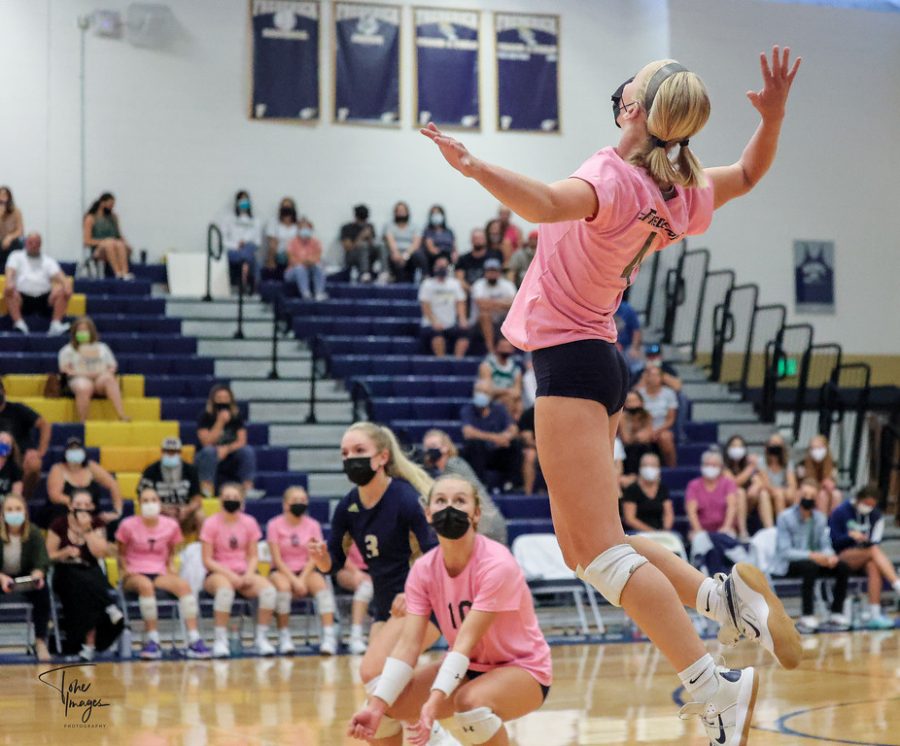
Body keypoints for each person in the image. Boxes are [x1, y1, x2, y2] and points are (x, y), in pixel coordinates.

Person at [423, 47, 803, 741]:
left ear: (634, 107)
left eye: (635, 75)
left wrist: (474, 166)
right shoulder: (677, 189)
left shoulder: (613, 175)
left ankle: (714, 685)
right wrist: (772, 117)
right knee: (595, 548)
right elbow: (748, 172)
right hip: (595, 355)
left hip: (571, 359)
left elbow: (541, 201)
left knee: (602, 555)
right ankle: (722, 598)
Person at [348, 475, 551, 745]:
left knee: (470, 704)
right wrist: (375, 707)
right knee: (385, 707)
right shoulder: (423, 569)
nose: (450, 508)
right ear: (428, 513)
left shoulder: (497, 563)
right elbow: (408, 646)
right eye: (441, 501)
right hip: (469, 668)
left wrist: (433, 702)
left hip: (523, 669)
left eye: (460, 501)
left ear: (476, 514)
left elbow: (464, 643)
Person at [308, 423, 441, 692]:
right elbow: (334, 561)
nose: (350, 458)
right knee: (383, 687)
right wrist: (323, 560)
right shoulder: (348, 507)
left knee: (373, 671)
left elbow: (435, 554)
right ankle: (429, 730)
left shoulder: (405, 499)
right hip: (384, 606)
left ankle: (435, 728)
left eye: (359, 450)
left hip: (420, 602)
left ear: (382, 457)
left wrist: (417, 592)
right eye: (344, 453)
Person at [116, 487, 212, 659]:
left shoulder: (171, 525)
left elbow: (171, 551)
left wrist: (171, 568)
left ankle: (194, 639)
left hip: (158, 571)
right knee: (145, 586)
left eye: (153, 500)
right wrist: (125, 570)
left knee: (183, 586)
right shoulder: (127, 525)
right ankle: (153, 641)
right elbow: (121, 553)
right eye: (145, 501)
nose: (150, 504)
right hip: (134, 573)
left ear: (159, 504)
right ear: (139, 503)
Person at [46, 488, 124, 659]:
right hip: (65, 571)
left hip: (90, 571)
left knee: (87, 584)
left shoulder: (97, 524)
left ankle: (88, 646)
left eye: (86, 505)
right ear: (70, 505)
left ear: (93, 507)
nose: (82, 508)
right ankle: (109, 605)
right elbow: (49, 556)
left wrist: (87, 530)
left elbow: (99, 553)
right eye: (78, 504)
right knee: (78, 579)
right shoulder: (59, 524)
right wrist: (63, 553)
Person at [200, 483, 277, 657]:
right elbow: (207, 560)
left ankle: (261, 638)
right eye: (227, 497)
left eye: (235, 498)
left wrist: (249, 574)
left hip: (244, 572)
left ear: (242, 502)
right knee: (225, 591)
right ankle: (220, 640)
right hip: (218, 572)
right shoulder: (211, 523)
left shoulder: (249, 522)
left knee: (269, 592)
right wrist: (231, 576)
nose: (231, 501)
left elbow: (253, 556)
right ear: (220, 501)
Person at [266, 486, 339, 655]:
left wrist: (303, 578)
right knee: (283, 590)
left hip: (306, 570)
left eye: (303, 500)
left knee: (322, 589)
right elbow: (277, 559)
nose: (300, 503)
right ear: (285, 505)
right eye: (295, 501)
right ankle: (284, 636)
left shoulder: (313, 525)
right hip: (282, 571)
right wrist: (295, 581)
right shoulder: (274, 524)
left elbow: (315, 557)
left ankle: (328, 637)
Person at [771, 479, 851, 632]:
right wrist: (812, 555)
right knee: (810, 567)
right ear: (798, 495)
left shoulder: (820, 518)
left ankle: (836, 612)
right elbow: (785, 551)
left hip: (816, 560)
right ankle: (807, 614)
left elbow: (825, 544)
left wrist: (830, 557)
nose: (807, 498)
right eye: (804, 494)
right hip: (790, 563)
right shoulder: (785, 517)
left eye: (811, 495)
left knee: (843, 567)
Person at [828, 486, 900, 630]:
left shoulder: (877, 516)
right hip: (841, 555)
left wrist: (864, 540)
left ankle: (874, 614)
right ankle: (897, 584)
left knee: (873, 564)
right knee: (873, 552)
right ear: (859, 499)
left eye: (872, 505)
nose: (869, 508)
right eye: (867, 504)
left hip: (865, 555)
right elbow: (833, 540)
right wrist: (849, 536)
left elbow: (875, 541)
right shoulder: (840, 512)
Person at [421, 429, 508, 545]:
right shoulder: (446, 469)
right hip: (479, 525)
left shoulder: (454, 464)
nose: (430, 451)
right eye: (427, 448)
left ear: (446, 447)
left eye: (433, 446)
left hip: (486, 526)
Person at [0, 493, 51, 660]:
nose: (14, 513)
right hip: (1, 578)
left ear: (25, 512)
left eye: (18, 509)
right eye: (9, 509)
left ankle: (40, 641)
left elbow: (42, 560)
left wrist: (38, 574)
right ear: (2, 513)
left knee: (42, 592)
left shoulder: (34, 533)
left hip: (24, 578)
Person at [58, 316, 130, 422]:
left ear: (91, 332)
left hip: (99, 378)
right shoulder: (67, 350)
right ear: (74, 332)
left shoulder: (102, 348)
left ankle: (121, 415)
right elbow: (64, 370)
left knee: (109, 379)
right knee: (84, 386)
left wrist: (104, 372)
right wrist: (81, 373)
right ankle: (83, 421)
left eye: (85, 330)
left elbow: (112, 366)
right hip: (79, 378)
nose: (83, 333)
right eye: (80, 330)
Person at [45, 437, 123, 530]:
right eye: (72, 450)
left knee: (114, 523)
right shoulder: (58, 469)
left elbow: (112, 484)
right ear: (65, 453)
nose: (75, 452)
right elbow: (55, 496)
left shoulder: (91, 467)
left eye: (77, 449)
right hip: (66, 514)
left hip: (91, 515)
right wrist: (80, 504)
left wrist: (117, 510)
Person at [196, 384, 258, 498]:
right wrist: (220, 422)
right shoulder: (205, 416)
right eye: (219, 398)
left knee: (247, 451)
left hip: (229, 454)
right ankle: (206, 490)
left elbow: (242, 441)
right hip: (209, 456)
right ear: (213, 400)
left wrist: (226, 449)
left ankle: (248, 488)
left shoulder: (236, 416)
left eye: (226, 398)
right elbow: (206, 442)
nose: (222, 401)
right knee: (209, 451)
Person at [3, 232, 72, 335]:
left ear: (40, 244)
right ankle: (19, 324)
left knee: (62, 289)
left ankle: (56, 324)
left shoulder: (48, 260)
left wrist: (67, 285)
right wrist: (9, 283)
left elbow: (61, 276)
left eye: (37, 243)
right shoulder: (16, 256)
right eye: (31, 242)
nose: (34, 245)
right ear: (26, 243)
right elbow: (9, 272)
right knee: (8, 290)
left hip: (45, 299)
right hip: (22, 299)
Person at [137, 437, 204, 537]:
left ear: (180, 452)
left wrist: (186, 509)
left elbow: (197, 500)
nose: (171, 454)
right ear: (162, 452)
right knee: (150, 512)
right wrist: (164, 510)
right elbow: (142, 497)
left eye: (174, 451)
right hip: (160, 512)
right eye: (167, 451)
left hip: (184, 511)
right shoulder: (151, 470)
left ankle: (200, 549)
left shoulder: (190, 470)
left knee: (200, 515)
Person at [460, 380, 520, 491]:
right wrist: (496, 438)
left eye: (485, 392)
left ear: (491, 395)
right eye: (479, 391)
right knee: (474, 444)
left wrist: (506, 436)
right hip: (479, 454)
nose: (481, 394)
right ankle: (480, 485)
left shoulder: (499, 409)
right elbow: (468, 432)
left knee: (515, 444)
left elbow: (514, 429)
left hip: (497, 452)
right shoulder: (468, 410)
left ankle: (512, 485)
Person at [0, 379, 50, 500]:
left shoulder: (18, 409)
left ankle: (22, 501)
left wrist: (40, 451)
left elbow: (44, 424)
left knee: (34, 464)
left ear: (3, 392)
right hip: (2, 458)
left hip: (21, 457)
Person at [417, 256, 469, 358]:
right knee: (437, 335)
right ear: (434, 268)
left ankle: (457, 362)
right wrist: (434, 321)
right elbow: (425, 306)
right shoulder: (427, 284)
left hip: (450, 324)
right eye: (439, 267)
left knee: (464, 333)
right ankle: (441, 362)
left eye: (444, 267)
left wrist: (462, 319)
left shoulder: (454, 284)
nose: (442, 269)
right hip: (431, 324)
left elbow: (460, 302)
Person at [724, 435, 773, 538]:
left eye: (740, 446)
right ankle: (743, 532)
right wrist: (751, 467)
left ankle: (770, 531)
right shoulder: (724, 467)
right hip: (730, 503)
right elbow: (734, 483)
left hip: (750, 503)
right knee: (740, 492)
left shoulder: (749, 464)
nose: (737, 449)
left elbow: (767, 485)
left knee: (763, 493)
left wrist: (757, 484)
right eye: (734, 446)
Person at [685, 448, 739, 537]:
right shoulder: (693, 485)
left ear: (721, 467)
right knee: (697, 539)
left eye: (714, 465)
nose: (710, 468)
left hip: (725, 528)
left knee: (729, 536)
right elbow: (691, 511)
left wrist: (725, 527)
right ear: (702, 466)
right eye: (707, 465)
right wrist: (699, 531)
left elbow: (732, 507)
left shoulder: (728, 483)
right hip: (700, 529)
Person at [470, 259, 517, 355]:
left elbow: (514, 304)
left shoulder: (507, 285)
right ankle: (491, 350)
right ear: (485, 272)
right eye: (489, 271)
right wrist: (503, 304)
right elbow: (481, 305)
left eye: (494, 271)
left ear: (499, 272)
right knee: (485, 314)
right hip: (479, 323)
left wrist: (490, 304)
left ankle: (509, 349)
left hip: (502, 319)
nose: (492, 274)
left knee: (513, 314)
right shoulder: (478, 284)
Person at [335, 543, 374, 656]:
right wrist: (356, 572)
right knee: (366, 587)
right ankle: (355, 637)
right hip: (347, 570)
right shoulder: (346, 527)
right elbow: (338, 552)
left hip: (375, 570)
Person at [220, 190, 263, 293]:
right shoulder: (228, 219)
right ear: (237, 202)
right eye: (241, 200)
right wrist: (236, 245)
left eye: (246, 200)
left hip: (249, 248)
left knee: (248, 251)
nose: (244, 202)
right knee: (251, 259)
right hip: (233, 251)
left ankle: (244, 281)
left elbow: (258, 242)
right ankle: (251, 283)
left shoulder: (255, 221)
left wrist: (246, 243)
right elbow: (223, 240)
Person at [83, 192, 132, 280]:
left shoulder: (113, 217)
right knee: (109, 243)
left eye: (113, 205)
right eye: (110, 205)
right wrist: (104, 241)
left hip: (115, 246)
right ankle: (117, 272)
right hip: (98, 250)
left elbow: (119, 235)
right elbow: (87, 241)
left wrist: (126, 244)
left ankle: (125, 272)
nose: (111, 207)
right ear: (102, 203)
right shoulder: (91, 218)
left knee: (119, 244)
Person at [621, 453, 674, 533]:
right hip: (637, 532)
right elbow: (629, 519)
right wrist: (651, 532)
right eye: (645, 465)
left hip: (660, 531)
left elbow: (668, 513)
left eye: (653, 465)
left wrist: (665, 530)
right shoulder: (632, 489)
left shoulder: (662, 489)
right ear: (640, 468)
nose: (649, 468)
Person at [637, 365, 678, 466]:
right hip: (644, 426)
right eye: (651, 375)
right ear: (647, 377)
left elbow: (670, 419)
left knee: (666, 438)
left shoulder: (669, 393)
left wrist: (656, 431)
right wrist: (649, 430)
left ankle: (672, 468)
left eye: (657, 375)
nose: (654, 378)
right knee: (640, 437)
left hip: (662, 428)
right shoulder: (640, 393)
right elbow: (637, 415)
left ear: (661, 378)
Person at [477, 335, 523, 418]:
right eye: (503, 347)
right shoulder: (487, 366)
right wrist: (507, 391)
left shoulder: (516, 369)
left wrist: (504, 393)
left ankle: (513, 427)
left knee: (518, 404)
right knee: (506, 401)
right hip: (489, 400)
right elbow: (487, 390)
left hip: (507, 398)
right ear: (496, 348)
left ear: (512, 349)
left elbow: (517, 392)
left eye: (508, 347)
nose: (505, 350)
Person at [796, 434, 842, 514]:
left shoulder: (833, 465)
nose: (817, 451)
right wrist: (820, 485)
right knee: (822, 495)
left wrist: (830, 484)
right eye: (814, 448)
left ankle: (833, 521)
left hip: (826, 491)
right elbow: (801, 484)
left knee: (836, 494)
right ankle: (822, 522)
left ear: (826, 448)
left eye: (819, 448)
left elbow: (833, 482)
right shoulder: (802, 464)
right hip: (809, 490)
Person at [284, 218, 327, 300]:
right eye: (302, 228)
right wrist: (304, 262)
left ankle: (319, 293)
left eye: (307, 228)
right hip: (293, 272)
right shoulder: (292, 242)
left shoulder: (316, 242)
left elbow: (318, 257)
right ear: (298, 229)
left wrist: (311, 261)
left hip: (311, 269)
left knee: (319, 266)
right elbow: (292, 260)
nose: (305, 230)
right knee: (300, 268)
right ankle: (305, 293)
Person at [618, 389, 656, 475]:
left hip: (645, 448)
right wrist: (637, 436)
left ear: (641, 402)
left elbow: (648, 436)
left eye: (635, 400)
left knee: (644, 448)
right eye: (629, 401)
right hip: (628, 449)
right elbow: (626, 439)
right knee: (633, 449)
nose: (632, 404)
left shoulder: (647, 415)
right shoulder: (622, 417)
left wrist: (638, 436)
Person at [341, 204, 383, 283]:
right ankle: (364, 273)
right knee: (363, 245)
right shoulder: (347, 228)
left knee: (381, 246)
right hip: (352, 256)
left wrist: (370, 237)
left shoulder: (369, 226)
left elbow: (372, 246)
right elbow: (348, 248)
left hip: (368, 256)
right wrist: (361, 237)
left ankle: (384, 273)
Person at [757, 432, 797, 515]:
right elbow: (766, 484)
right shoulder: (762, 461)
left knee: (792, 495)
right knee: (768, 494)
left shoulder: (788, 463)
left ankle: (784, 524)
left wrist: (785, 492)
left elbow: (792, 485)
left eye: (777, 444)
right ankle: (772, 527)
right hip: (768, 493)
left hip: (783, 493)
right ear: (768, 446)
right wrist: (779, 492)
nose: (774, 446)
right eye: (772, 443)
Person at [383, 201, 422, 282]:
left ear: (407, 212)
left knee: (417, 256)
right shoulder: (389, 226)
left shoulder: (414, 226)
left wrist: (405, 256)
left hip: (409, 254)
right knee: (390, 256)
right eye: (399, 211)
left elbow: (416, 244)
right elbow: (390, 241)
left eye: (403, 211)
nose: (401, 213)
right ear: (395, 213)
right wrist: (396, 254)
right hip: (395, 254)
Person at [455, 228, 503, 292]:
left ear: (485, 240)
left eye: (480, 238)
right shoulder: (463, 259)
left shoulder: (494, 256)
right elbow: (460, 279)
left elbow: (500, 276)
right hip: (469, 292)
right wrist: (473, 291)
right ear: (471, 240)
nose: (478, 241)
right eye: (475, 238)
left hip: (491, 291)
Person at [419, 204, 457, 274]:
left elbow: (454, 247)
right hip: (435, 256)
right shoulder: (428, 231)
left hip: (448, 255)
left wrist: (454, 254)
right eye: (434, 213)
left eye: (438, 213)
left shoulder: (449, 231)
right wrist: (441, 256)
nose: (436, 215)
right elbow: (431, 248)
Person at [265, 197, 300, 269]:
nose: (286, 209)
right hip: (279, 253)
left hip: (295, 253)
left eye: (288, 207)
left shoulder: (297, 224)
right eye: (284, 207)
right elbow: (272, 242)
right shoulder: (274, 222)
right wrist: (271, 260)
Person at [517, 405, 542, 495]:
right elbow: (528, 440)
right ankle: (528, 493)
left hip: (554, 449)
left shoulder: (555, 414)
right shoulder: (529, 414)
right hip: (535, 447)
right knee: (530, 455)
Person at [0, 185, 24, 269]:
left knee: (14, 246)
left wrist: (9, 237)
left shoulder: (16, 211)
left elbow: (20, 231)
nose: (2, 197)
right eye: (0, 194)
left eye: (4, 195)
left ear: (9, 198)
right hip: (1, 241)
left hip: (13, 241)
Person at [0, 431, 24, 497]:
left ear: (11, 449)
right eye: (1, 441)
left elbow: (16, 495)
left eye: (7, 443)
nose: (4, 444)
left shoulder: (15, 469)